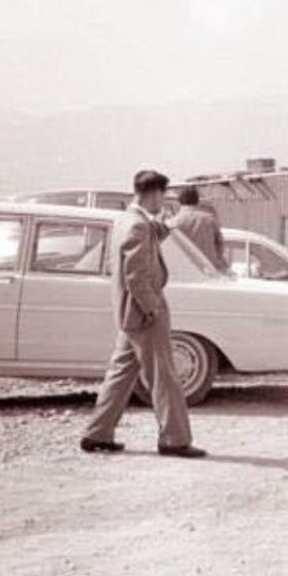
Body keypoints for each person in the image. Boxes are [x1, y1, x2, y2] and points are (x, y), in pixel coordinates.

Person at [81, 170, 205, 458]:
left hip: (129, 314)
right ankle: (174, 439)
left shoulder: (128, 220)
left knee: (121, 373)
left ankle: (97, 433)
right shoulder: (137, 225)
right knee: (164, 375)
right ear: (154, 193)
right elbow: (136, 275)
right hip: (143, 312)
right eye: (163, 194)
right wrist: (152, 307)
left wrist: (165, 226)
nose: (164, 200)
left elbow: (144, 245)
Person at [167, 185, 226, 271]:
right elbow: (220, 243)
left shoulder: (173, 222)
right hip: (209, 269)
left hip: (184, 269)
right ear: (197, 201)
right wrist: (216, 259)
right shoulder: (210, 219)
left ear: (179, 201)